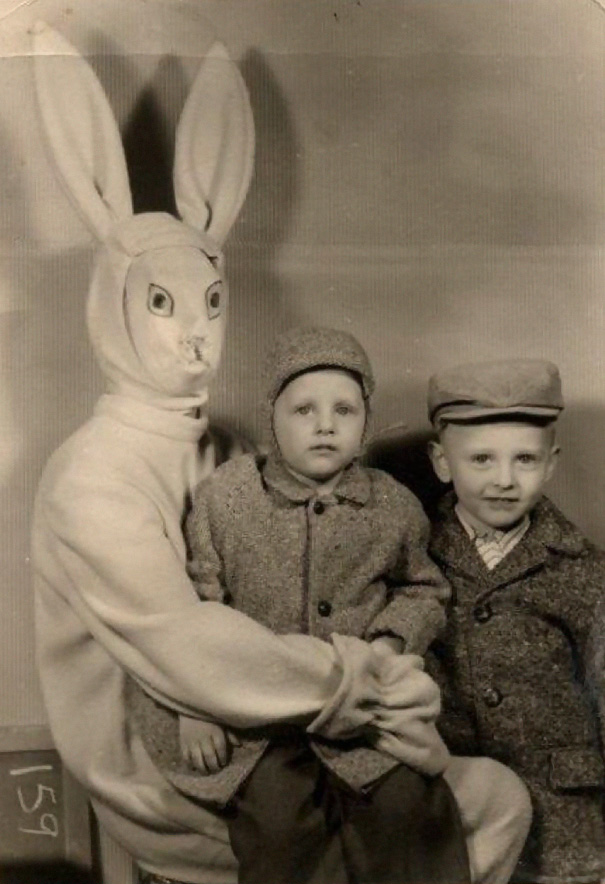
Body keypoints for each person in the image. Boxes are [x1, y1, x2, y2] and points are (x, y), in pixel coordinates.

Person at [132, 326, 531, 884]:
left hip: (361, 706)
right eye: (304, 410)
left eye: (344, 410)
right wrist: (194, 709)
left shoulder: (391, 505)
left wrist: (389, 642)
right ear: (272, 417)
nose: (325, 425)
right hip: (257, 716)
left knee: (407, 807)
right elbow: (193, 611)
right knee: (281, 825)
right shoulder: (226, 499)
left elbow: (423, 589)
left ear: (365, 420)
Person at [425, 357, 605, 884]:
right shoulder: (411, 559)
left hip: (564, 828)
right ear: (442, 461)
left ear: (551, 464)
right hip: (457, 817)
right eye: (481, 459)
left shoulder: (587, 571)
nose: (504, 480)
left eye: (525, 459)